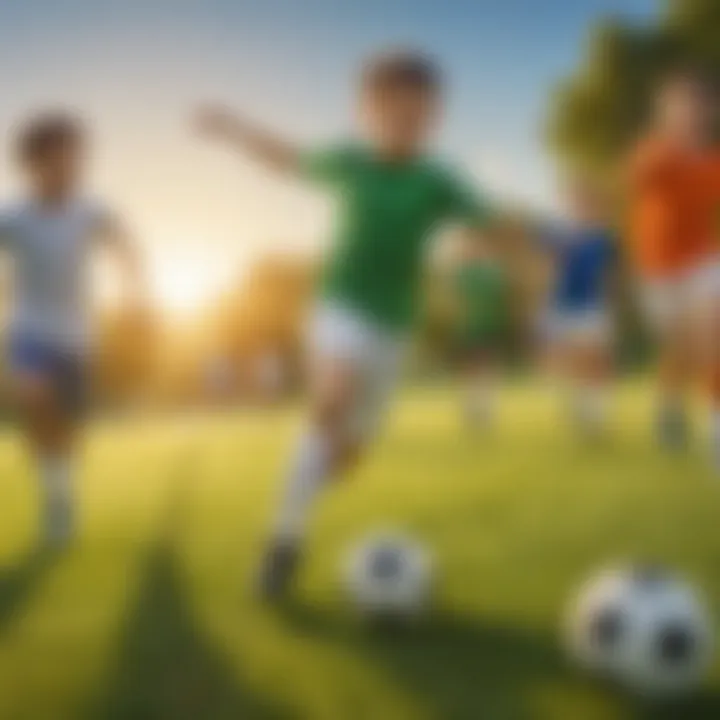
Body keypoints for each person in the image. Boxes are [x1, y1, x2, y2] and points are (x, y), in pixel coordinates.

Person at [196, 50, 495, 598]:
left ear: (436, 119)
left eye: (422, 119)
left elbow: (488, 223)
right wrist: (234, 129)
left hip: (395, 327)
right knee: (330, 398)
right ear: (367, 113)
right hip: (339, 307)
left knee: (346, 454)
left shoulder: (438, 181)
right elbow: (285, 157)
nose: (409, 128)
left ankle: (321, 465)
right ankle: (283, 543)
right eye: (396, 115)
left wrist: (513, 247)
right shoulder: (349, 164)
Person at [0, 112, 144, 547]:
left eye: (76, 159)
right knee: (34, 396)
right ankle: (57, 499)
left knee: (68, 429)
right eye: (60, 159)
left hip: (78, 337)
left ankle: (61, 483)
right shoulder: (13, 216)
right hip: (28, 328)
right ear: (33, 164)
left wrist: (135, 293)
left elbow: (125, 246)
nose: (71, 168)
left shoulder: (92, 210)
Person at [628, 69, 720, 465]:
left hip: (702, 265)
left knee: (713, 338)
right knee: (680, 353)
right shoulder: (654, 154)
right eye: (677, 106)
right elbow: (637, 180)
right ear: (663, 112)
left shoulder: (714, 164)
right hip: (657, 274)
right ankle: (668, 406)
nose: (688, 113)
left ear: (709, 111)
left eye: (696, 105)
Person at [536, 177, 616, 436]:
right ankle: (578, 402)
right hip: (560, 306)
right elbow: (541, 261)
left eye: (584, 202)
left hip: (590, 304)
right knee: (569, 360)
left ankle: (594, 415)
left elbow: (603, 270)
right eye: (573, 201)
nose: (578, 206)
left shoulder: (601, 237)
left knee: (595, 360)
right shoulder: (553, 234)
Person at [450, 233, 510, 427]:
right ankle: (473, 406)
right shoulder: (467, 273)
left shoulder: (489, 272)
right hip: (469, 326)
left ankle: (482, 407)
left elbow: (499, 297)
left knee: (485, 366)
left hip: (486, 326)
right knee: (472, 368)